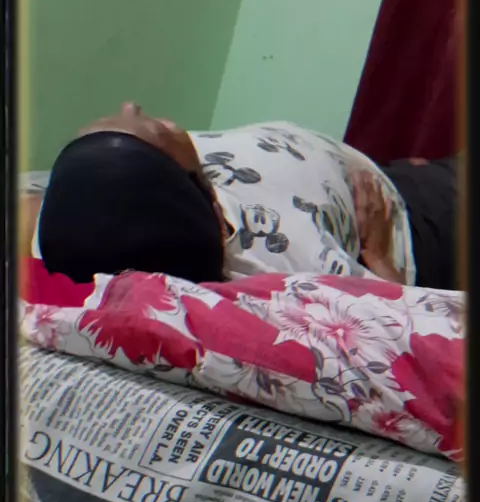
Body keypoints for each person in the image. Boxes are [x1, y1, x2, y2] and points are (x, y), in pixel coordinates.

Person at [24, 103, 459, 289]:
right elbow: (403, 327)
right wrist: (379, 255)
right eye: (159, 129)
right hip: (420, 225)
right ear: (213, 208)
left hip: (391, 177)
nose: (131, 105)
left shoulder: (84, 204)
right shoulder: (275, 271)